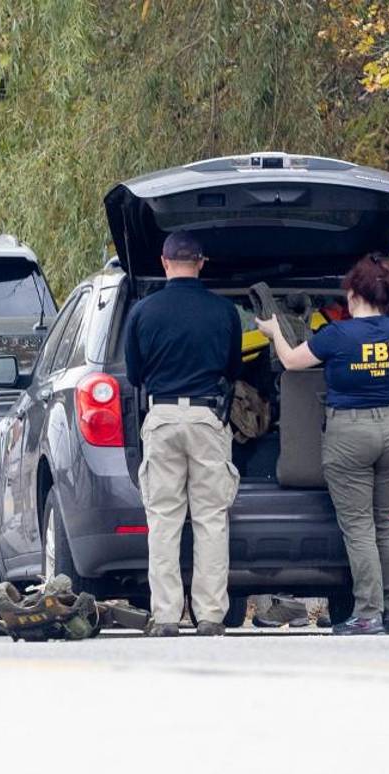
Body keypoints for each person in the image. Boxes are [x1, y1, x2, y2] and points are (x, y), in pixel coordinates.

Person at [255, 253, 389, 636]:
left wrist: (274, 332)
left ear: (352, 294)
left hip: (350, 434)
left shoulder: (337, 335)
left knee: (358, 525)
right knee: (386, 520)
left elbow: (290, 362)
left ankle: (368, 613)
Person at [124, 232, 243, 637]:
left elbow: (135, 374)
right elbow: (233, 369)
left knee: (164, 519)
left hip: (161, 417)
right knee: (210, 518)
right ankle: (210, 615)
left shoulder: (143, 311)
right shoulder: (224, 312)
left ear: (164, 262)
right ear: (202, 263)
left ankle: (167, 616)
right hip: (208, 417)